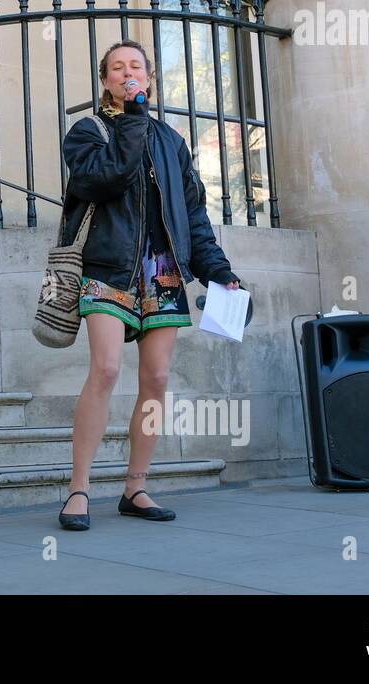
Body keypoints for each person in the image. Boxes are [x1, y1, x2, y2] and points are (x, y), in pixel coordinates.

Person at [57, 40, 240, 529]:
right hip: (107, 266)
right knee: (107, 369)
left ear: (151, 77)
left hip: (162, 271)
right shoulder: (88, 131)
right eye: (117, 68)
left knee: (157, 378)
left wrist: (218, 269)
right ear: (105, 81)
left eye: (135, 66)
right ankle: (79, 489)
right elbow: (105, 179)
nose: (127, 73)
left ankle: (136, 487)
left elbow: (193, 215)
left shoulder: (171, 141)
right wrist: (133, 118)